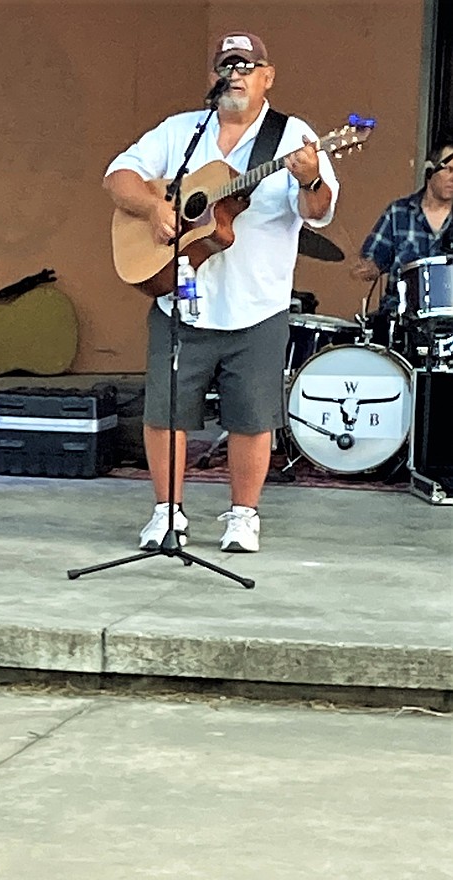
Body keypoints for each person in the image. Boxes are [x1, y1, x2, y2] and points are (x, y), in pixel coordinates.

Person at [104, 32, 338, 553]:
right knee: (165, 411)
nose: (234, 74)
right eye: (225, 65)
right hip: (182, 299)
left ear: (267, 76)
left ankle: (243, 517)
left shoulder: (293, 136)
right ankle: (166, 513)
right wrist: (153, 209)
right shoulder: (182, 130)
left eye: (246, 65)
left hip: (256, 303)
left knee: (252, 417)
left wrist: (310, 177)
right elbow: (117, 176)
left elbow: (318, 209)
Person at [351, 134, 453, 337]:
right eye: (449, 170)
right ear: (430, 170)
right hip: (400, 322)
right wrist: (367, 267)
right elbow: (371, 261)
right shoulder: (398, 213)